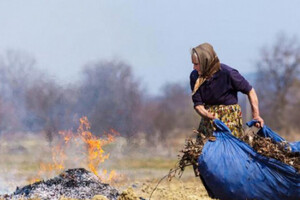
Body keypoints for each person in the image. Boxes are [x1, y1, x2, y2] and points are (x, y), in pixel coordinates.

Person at [190, 43, 264, 138]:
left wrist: (256, 115)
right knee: (203, 151)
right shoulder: (195, 77)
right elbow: (198, 105)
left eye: (196, 64)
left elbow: (250, 91)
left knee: (231, 149)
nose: (194, 68)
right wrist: (209, 116)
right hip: (208, 120)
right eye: (193, 64)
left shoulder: (228, 73)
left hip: (230, 120)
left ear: (206, 61)